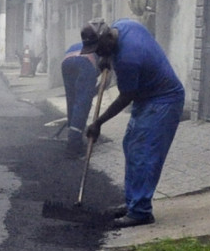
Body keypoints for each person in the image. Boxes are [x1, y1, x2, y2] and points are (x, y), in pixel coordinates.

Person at [84, 19, 185, 228]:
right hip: (147, 95)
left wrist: (98, 122)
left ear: (108, 39)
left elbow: (125, 97)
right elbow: (112, 53)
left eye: (100, 49)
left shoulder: (128, 59)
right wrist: (107, 59)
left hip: (163, 100)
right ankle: (132, 203)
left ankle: (140, 212)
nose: (98, 54)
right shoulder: (124, 25)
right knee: (131, 146)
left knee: (143, 153)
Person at [61, 26, 103, 157]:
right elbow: (106, 82)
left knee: (72, 100)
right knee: (82, 104)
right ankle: (74, 146)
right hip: (85, 63)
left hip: (66, 62)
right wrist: (91, 93)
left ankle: (72, 133)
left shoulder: (80, 44)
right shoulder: (104, 49)